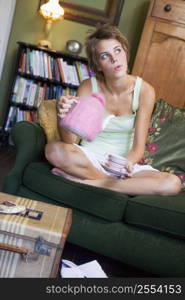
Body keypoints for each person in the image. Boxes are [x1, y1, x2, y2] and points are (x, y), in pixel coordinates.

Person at [45, 24, 181, 195]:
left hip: (124, 164)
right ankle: (113, 185)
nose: (114, 59)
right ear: (98, 65)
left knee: (172, 183)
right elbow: (70, 140)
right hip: (90, 158)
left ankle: (90, 183)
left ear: (125, 52)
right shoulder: (89, 87)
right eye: (105, 56)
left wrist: (126, 164)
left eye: (117, 50)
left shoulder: (145, 91)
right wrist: (62, 116)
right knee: (54, 150)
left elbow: (139, 147)